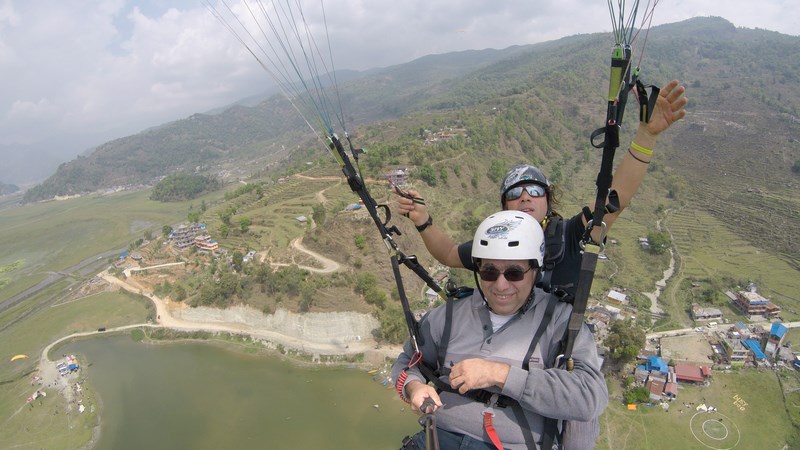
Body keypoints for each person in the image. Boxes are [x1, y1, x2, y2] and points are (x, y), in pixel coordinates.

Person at [396, 79, 688, 300]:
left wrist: (646, 137)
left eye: (534, 191)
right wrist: (423, 220)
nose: (524, 197)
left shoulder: (572, 236)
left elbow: (615, 199)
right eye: (514, 193)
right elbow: (447, 253)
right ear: (504, 207)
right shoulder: (494, 244)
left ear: (549, 200)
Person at [392, 211, 607, 450]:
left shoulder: (560, 321)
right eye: (489, 272)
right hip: (438, 438)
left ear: (535, 271)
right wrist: (414, 387)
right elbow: (407, 362)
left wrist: (501, 375)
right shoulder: (450, 315)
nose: (501, 284)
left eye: (514, 273)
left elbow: (589, 396)